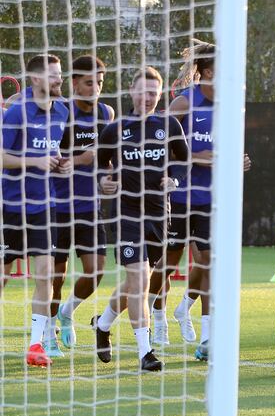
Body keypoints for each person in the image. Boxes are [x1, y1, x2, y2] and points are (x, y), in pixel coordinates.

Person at [147, 40, 251, 362]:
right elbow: (160, 143)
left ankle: (207, 337)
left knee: (210, 263)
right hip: (179, 196)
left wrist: (238, 160)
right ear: (206, 73)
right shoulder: (183, 104)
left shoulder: (230, 106)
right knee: (168, 263)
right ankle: (158, 316)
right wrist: (199, 157)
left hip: (210, 199)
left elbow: (228, 151)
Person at [91, 67, 189, 372]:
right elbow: (99, 163)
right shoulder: (117, 128)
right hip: (126, 213)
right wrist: (104, 181)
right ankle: (145, 352)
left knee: (142, 281)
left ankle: (103, 323)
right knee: (139, 281)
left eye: (153, 92)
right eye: (142, 91)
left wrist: (173, 179)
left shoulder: (169, 124)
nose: (147, 97)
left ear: (159, 95)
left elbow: (183, 161)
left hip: (159, 214)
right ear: (131, 92)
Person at [1, 54, 71, 367]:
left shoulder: (63, 110)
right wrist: (34, 161)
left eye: (60, 75)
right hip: (12, 205)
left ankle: (35, 344)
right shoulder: (17, 110)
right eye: (54, 75)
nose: (59, 80)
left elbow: (53, 151)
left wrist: (60, 165)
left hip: (46, 205)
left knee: (45, 275)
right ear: (36, 79)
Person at [52, 55, 115, 356]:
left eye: (100, 83)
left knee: (95, 270)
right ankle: (48, 328)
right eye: (89, 82)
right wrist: (80, 159)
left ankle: (67, 312)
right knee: (55, 274)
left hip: (90, 205)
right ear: (75, 83)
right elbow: (49, 160)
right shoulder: (59, 112)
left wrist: (108, 178)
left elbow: (107, 159)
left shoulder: (106, 113)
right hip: (57, 205)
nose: (95, 88)